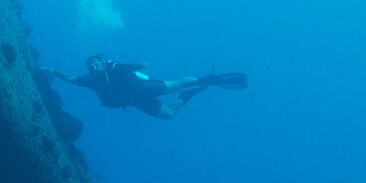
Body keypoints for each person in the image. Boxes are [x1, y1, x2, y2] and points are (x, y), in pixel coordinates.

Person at [40, 55, 247, 120]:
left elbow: (128, 67)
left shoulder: (113, 68)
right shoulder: (90, 80)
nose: (93, 66)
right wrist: (56, 72)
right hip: (135, 101)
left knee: (176, 83)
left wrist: (139, 66)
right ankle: (185, 97)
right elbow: (72, 78)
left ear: (103, 62)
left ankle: (206, 80)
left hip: (143, 90)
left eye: (97, 62)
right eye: (90, 65)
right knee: (169, 115)